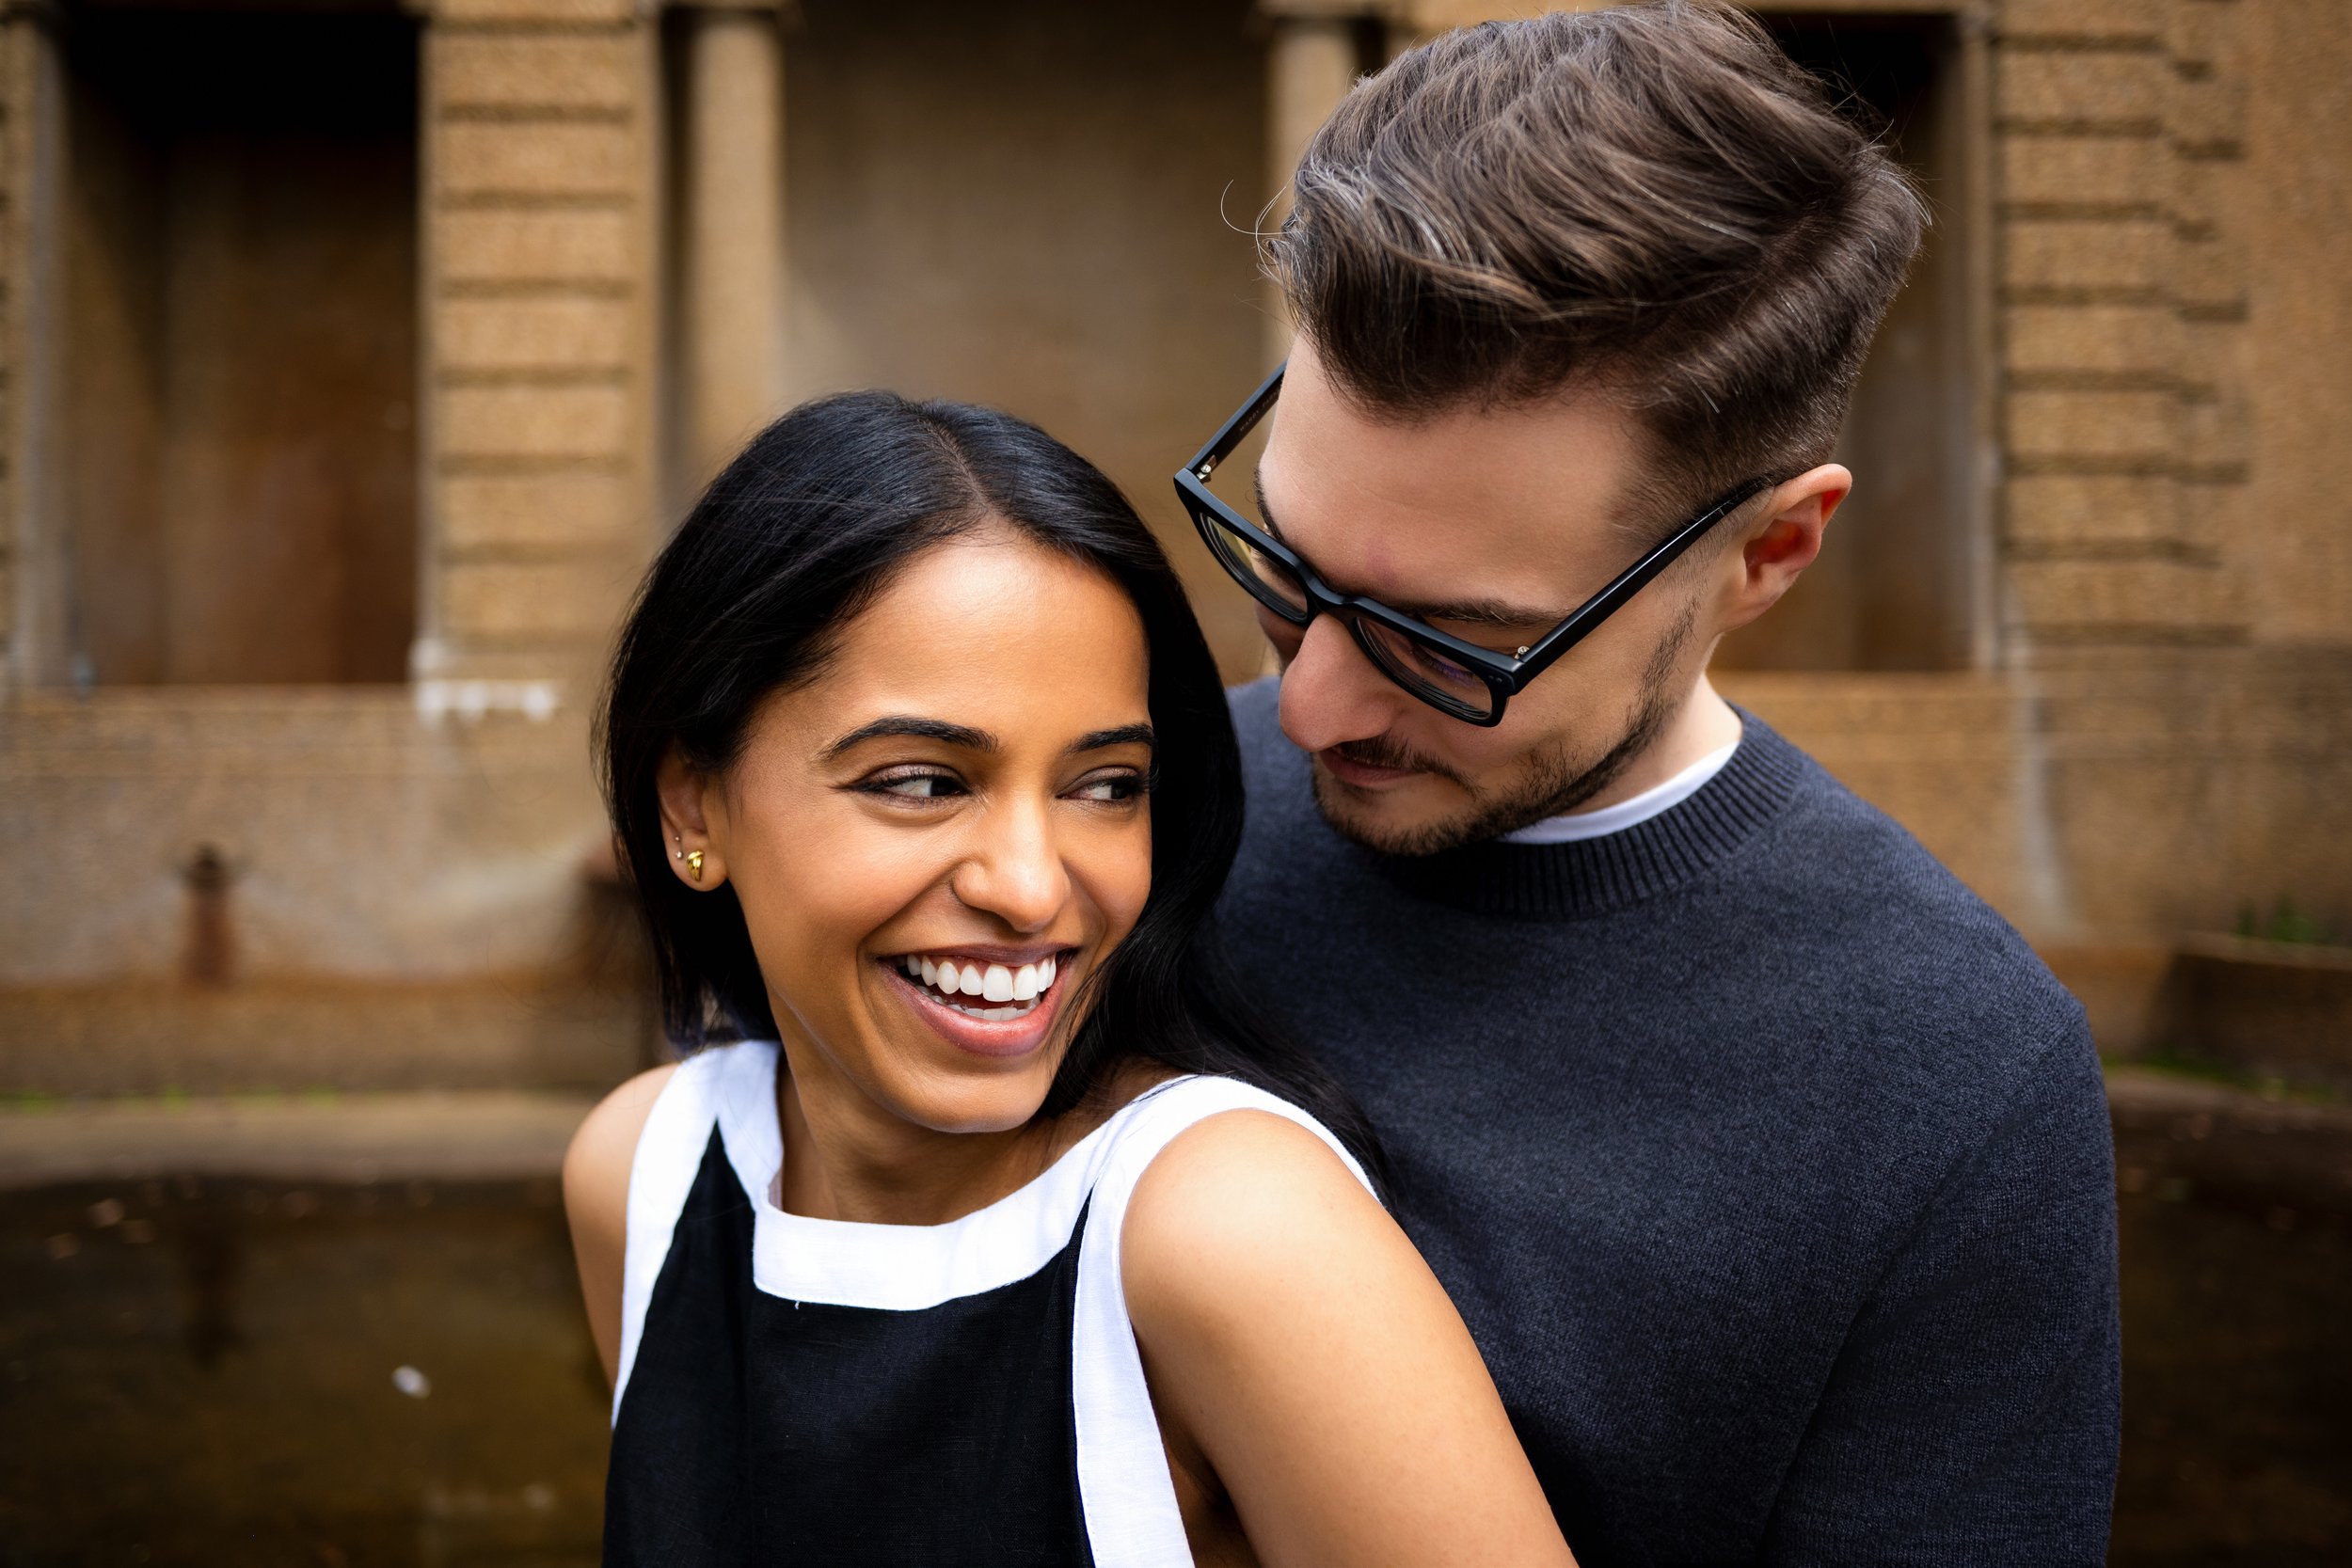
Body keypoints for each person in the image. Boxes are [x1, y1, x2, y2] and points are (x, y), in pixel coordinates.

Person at [1186, 5, 2121, 1563]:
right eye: (1283, 560)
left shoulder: (1959, 1079)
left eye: (1445, 639)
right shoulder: (1118, 822)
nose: (1305, 704)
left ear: (1768, 551)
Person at [563, 391, 1576, 1567]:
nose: (1033, 887)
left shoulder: (1225, 1230)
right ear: (694, 802)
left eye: (1105, 785)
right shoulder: (642, 1173)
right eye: (922, 780)